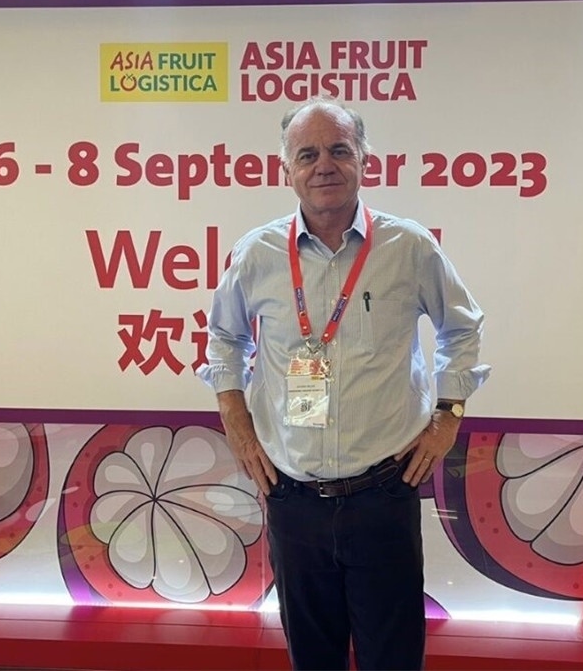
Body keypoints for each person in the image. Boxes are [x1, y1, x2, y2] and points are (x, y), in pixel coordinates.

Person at [197, 98, 490, 670]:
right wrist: (236, 419)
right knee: (313, 657)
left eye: (338, 150)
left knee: (392, 657)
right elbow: (224, 337)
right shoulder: (257, 253)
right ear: (287, 169)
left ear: (364, 160)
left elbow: (463, 327)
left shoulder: (408, 248)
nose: (324, 165)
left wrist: (447, 416)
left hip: (384, 492)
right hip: (293, 497)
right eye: (307, 155)